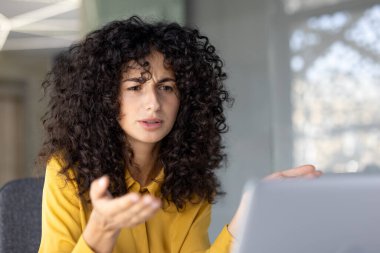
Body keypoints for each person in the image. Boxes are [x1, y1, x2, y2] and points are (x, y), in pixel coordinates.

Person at [37, 16, 320, 253]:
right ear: (106, 97)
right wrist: (101, 230)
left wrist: (248, 215)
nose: (154, 103)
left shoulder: (189, 179)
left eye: (167, 87)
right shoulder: (68, 171)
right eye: (135, 87)